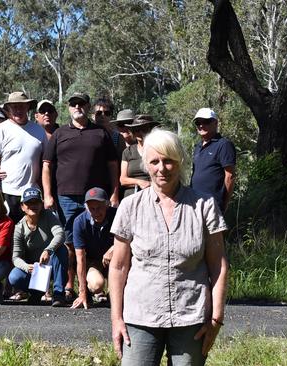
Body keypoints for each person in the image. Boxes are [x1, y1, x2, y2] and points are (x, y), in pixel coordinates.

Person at [109, 129, 229, 365]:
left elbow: (218, 265)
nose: (161, 168)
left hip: (191, 317)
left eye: (168, 161)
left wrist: (216, 318)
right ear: (146, 164)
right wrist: (116, 319)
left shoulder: (204, 206)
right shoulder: (130, 206)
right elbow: (119, 267)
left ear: (180, 161)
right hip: (140, 315)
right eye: (154, 161)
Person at [42, 92, 120, 301]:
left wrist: (114, 193)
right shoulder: (59, 134)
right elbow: (47, 165)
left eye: (81, 104)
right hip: (65, 197)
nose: (77, 107)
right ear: (68, 108)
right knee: (69, 244)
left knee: (100, 240)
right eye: (73, 104)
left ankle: (99, 286)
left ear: (88, 106)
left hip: (96, 199)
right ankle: (69, 286)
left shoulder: (100, 133)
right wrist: (48, 195)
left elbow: (113, 166)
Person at [0, 92, 47, 223]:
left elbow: (46, 164)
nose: (18, 110)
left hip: (32, 193)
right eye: (14, 106)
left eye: (21, 106)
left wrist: (46, 194)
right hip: (7, 193)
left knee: (33, 233)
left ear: (28, 108)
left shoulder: (39, 131)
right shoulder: (0, 130)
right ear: (8, 108)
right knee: (7, 235)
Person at [7, 187, 68, 307]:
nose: (33, 205)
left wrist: (48, 250)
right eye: (28, 203)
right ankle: (36, 293)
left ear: (41, 204)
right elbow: (16, 257)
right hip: (34, 270)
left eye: (36, 202)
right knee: (14, 277)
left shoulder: (49, 216)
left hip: (52, 265)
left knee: (61, 250)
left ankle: (58, 294)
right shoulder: (19, 228)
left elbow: (60, 234)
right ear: (22, 206)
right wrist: (26, 267)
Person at [70, 187, 117, 309]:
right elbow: (80, 259)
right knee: (96, 284)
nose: (96, 212)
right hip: (92, 262)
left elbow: (131, 239)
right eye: (92, 209)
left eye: (100, 207)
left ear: (107, 205)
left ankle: (114, 294)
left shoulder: (118, 215)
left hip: (115, 260)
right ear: (86, 208)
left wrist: (113, 248)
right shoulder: (79, 222)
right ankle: (90, 293)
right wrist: (82, 293)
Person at [190, 108, 236, 212]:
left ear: (215, 123)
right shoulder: (197, 147)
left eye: (206, 121)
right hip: (195, 203)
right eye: (198, 122)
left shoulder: (224, 145)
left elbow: (230, 176)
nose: (201, 125)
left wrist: (224, 204)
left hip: (213, 205)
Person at [119, 115, 160, 199]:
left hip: (154, 194)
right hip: (132, 196)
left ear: (150, 130)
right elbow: (123, 180)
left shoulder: (158, 150)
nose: (140, 133)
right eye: (136, 130)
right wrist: (140, 182)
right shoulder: (128, 152)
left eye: (144, 129)